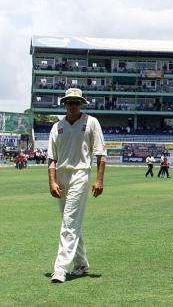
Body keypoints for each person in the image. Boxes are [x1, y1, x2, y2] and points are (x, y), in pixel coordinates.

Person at [47, 88, 106, 283]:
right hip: (61, 176)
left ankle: (60, 269)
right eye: (69, 102)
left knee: (69, 222)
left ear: (81, 103)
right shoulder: (57, 126)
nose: (72, 105)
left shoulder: (91, 122)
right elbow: (51, 159)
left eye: (76, 102)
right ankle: (81, 264)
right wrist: (52, 181)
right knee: (71, 221)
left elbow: (100, 155)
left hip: (80, 174)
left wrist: (99, 180)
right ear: (64, 103)